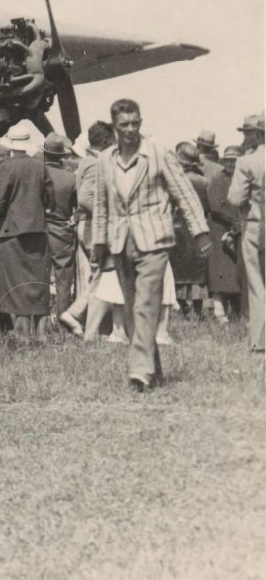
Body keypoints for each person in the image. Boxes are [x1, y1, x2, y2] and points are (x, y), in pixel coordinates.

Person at [92, 99, 210, 391]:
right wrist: (98, 243)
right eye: (124, 125)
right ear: (115, 127)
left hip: (154, 241)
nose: (131, 130)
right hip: (121, 242)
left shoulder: (158, 154)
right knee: (132, 310)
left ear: (141, 122)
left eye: (136, 123)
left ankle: (139, 372)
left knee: (146, 304)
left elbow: (183, 193)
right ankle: (152, 370)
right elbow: (101, 204)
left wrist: (201, 232)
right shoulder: (105, 159)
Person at [0, 122, 54, 337]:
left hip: (11, 232)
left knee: (15, 283)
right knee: (38, 283)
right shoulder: (39, 165)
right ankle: (42, 333)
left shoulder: (5, 167)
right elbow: (50, 198)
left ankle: (22, 333)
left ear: (10, 145)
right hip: (37, 230)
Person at [64, 121, 120, 340]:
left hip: (90, 226)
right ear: (105, 142)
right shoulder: (95, 164)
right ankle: (77, 315)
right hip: (96, 227)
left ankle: (94, 327)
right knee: (105, 275)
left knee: (100, 276)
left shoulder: (89, 161)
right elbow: (86, 198)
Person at [228, 112, 265, 352]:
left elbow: (234, 197)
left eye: (248, 132)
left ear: (260, 134)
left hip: (255, 226)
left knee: (257, 285)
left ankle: (260, 341)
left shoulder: (246, 162)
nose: (245, 137)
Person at [43, 133, 81, 334]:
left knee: (37, 275)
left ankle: (38, 323)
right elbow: (79, 206)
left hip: (39, 229)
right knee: (63, 278)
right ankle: (63, 321)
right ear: (61, 156)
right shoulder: (70, 178)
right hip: (61, 230)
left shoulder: (37, 174)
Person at [169, 142, 210, 317]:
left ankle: (182, 307)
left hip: (177, 227)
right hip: (198, 230)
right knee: (197, 271)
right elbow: (207, 206)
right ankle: (198, 309)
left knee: (178, 269)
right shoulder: (203, 180)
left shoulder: (177, 180)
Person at [206, 146, 244, 322]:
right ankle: (219, 310)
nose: (231, 164)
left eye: (234, 161)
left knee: (236, 269)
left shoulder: (242, 178)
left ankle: (237, 310)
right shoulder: (218, 179)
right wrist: (235, 222)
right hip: (220, 227)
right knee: (220, 269)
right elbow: (217, 206)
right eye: (228, 160)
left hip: (238, 227)